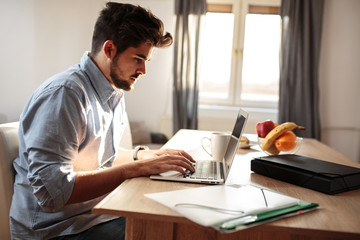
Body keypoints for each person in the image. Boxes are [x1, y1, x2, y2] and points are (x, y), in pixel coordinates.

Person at [9, 2, 195, 240]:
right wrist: (135, 169)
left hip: (94, 216)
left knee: (174, 220)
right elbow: (52, 192)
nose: (143, 70)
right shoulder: (65, 94)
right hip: (58, 230)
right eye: (138, 58)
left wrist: (141, 156)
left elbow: (96, 157)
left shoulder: (112, 91)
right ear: (109, 50)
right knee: (166, 232)